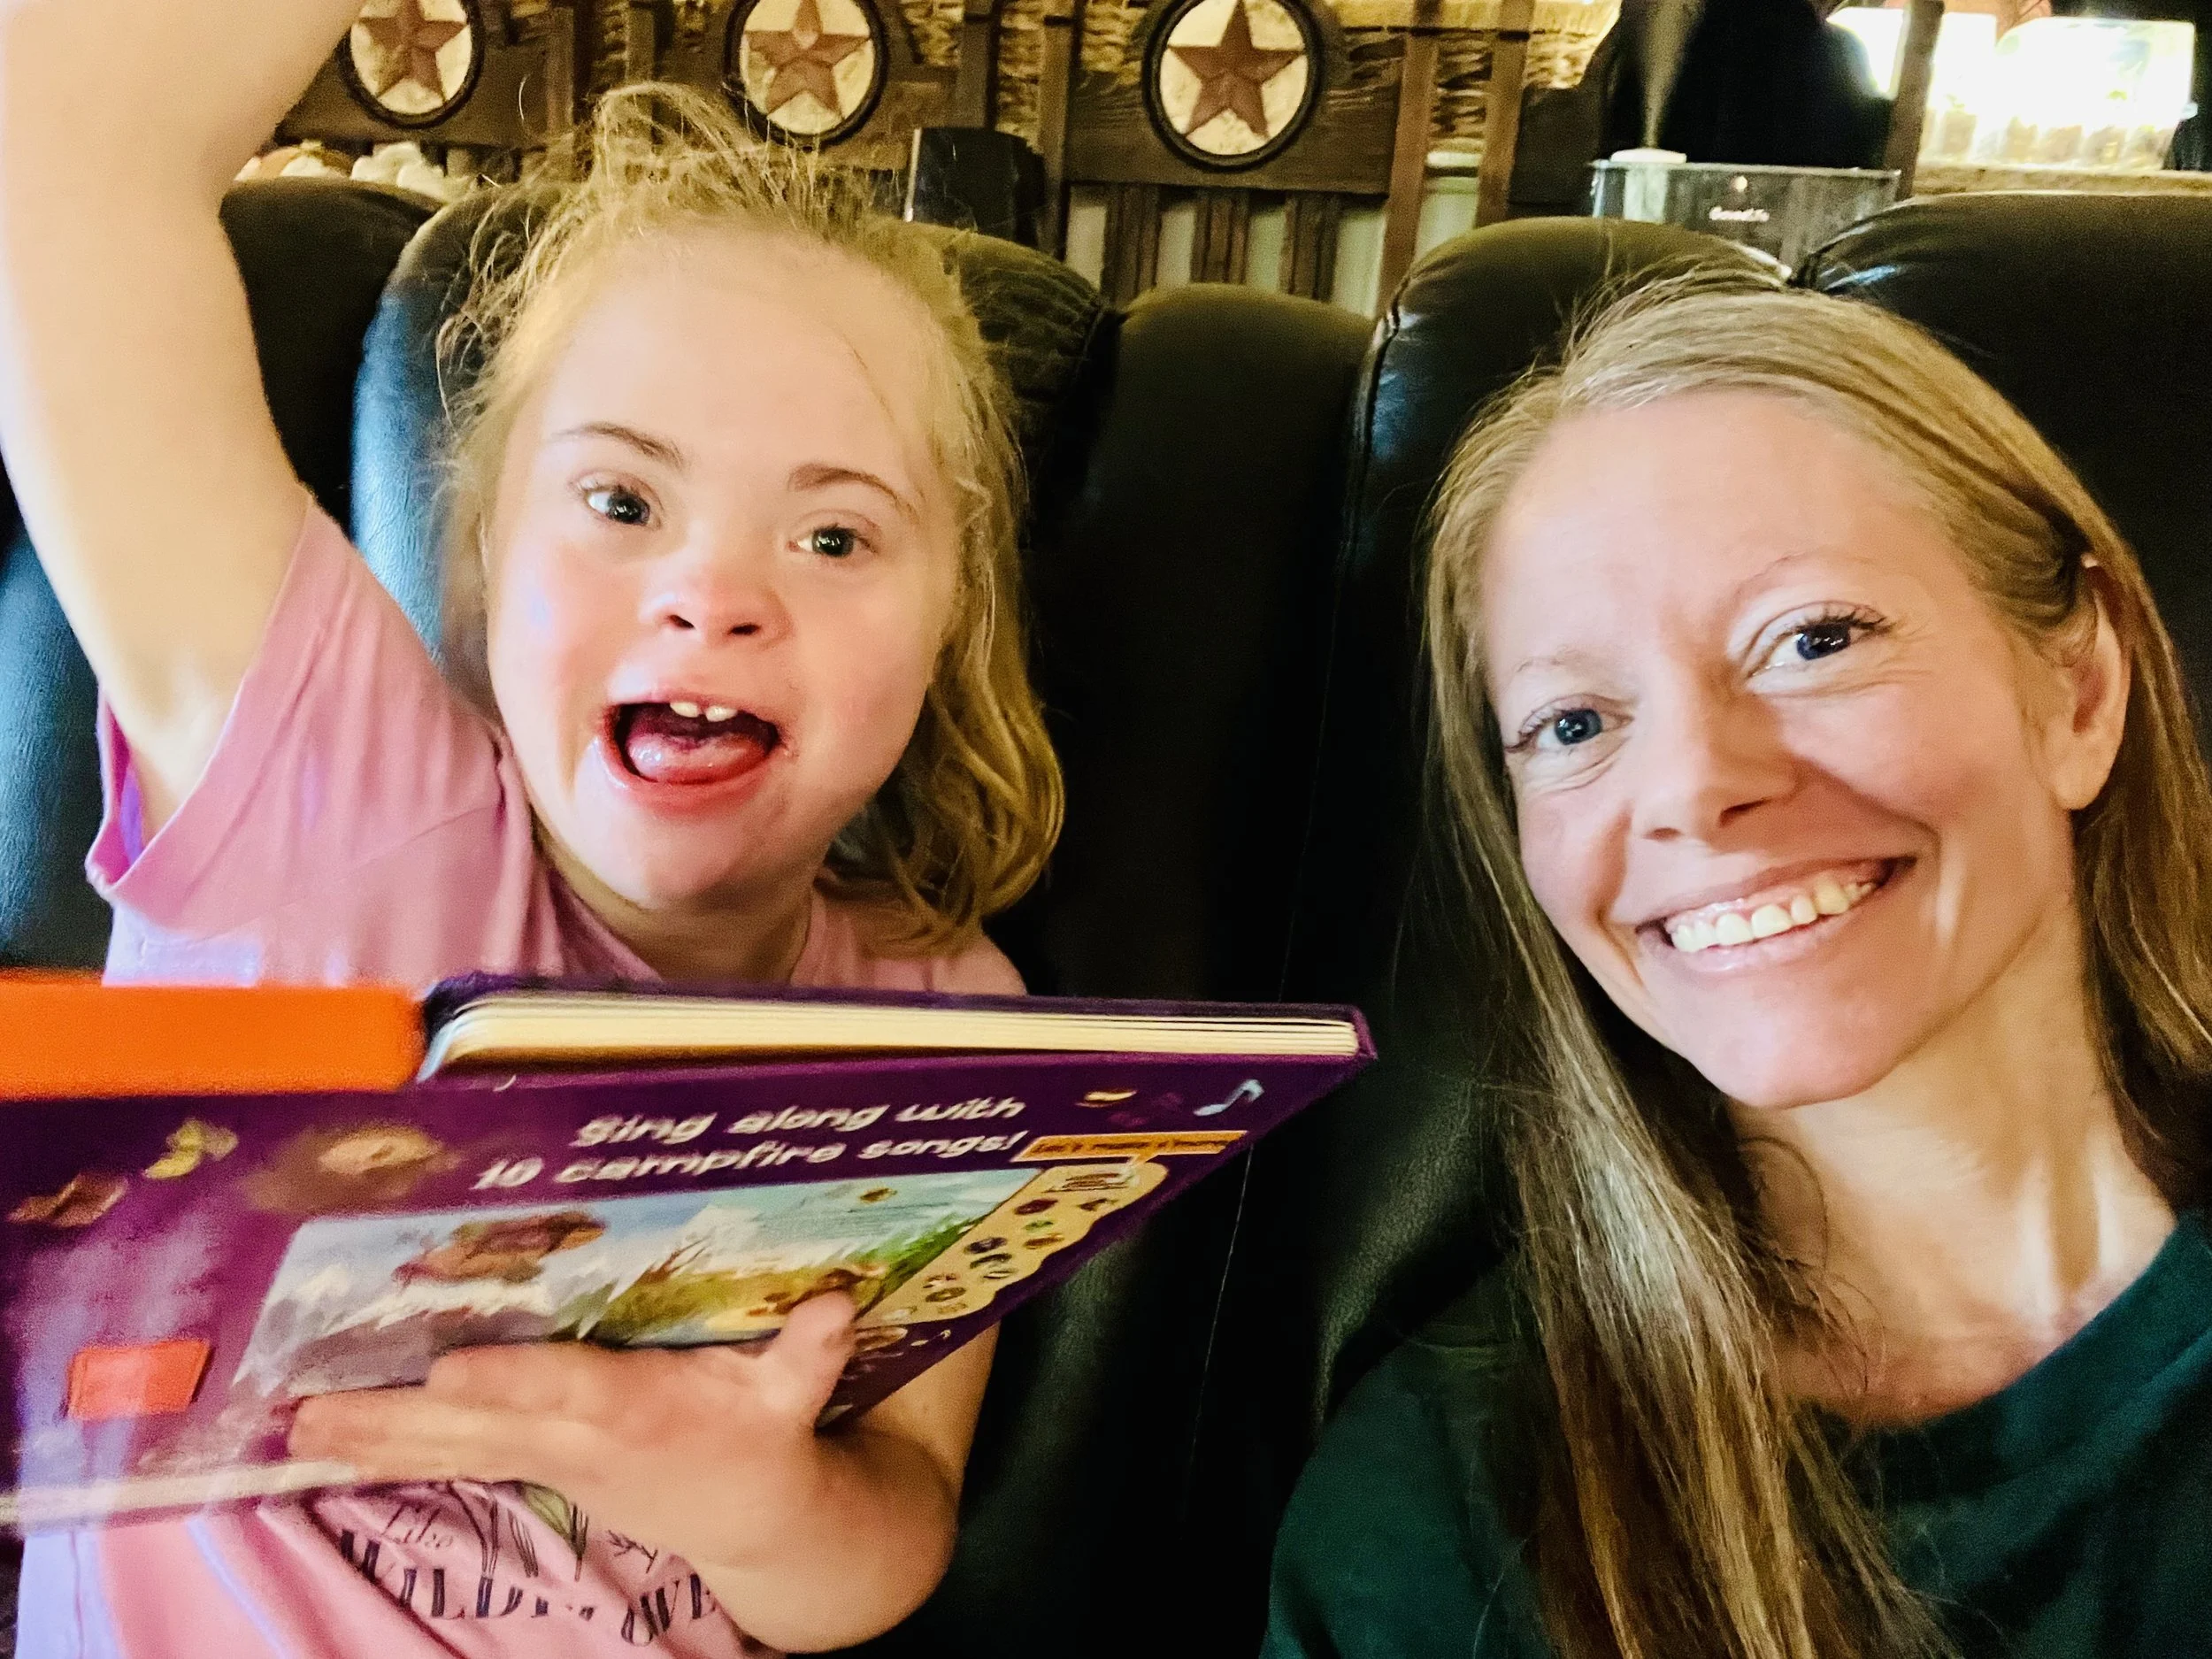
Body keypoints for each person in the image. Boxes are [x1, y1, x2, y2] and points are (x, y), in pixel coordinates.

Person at [0, 0, 1062, 1652]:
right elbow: (44, 155)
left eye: (839, 536)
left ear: (949, 630)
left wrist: (756, 1501)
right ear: (487, 563)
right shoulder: (331, 787)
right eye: (622, 502)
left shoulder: (952, 1014)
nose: (713, 595)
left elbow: (898, 1519)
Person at [1264, 277, 2212, 1659]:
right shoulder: (1445, 1503)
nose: (1696, 788)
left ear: (2078, 690)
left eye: (1814, 639)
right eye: (1575, 720)